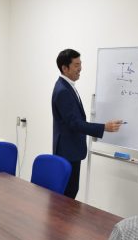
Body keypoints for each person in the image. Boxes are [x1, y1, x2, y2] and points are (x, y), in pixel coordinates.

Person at [52, 48, 124, 199]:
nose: (80, 68)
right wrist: (103, 127)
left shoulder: (67, 86)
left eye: (80, 64)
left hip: (70, 150)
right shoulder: (63, 90)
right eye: (76, 65)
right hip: (67, 151)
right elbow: (75, 123)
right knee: (67, 195)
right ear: (65, 68)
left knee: (70, 192)